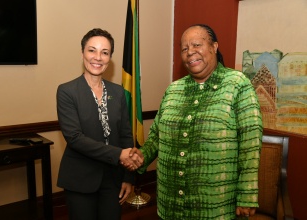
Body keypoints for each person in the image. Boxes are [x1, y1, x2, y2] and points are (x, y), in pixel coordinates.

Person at [128, 24, 263, 219]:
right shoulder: (173, 89)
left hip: (216, 206)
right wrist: (140, 156)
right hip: (171, 204)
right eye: (184, 48)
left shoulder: (238, 84)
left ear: (214, 47)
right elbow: (157, 136)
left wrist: (247, 194)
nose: (190, 52)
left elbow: (251, 142)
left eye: (197, 44)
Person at [56, 28, 143, 220]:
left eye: (105, 52)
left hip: (112, 179)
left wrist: (128, 177)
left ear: (110, 58)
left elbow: (125, 135)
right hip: (80, 178)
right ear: (82, 53)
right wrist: (118, 154)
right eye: (92, 50)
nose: (98, 57)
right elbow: (74, 138)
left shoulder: (118, 92)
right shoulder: (67, 91)